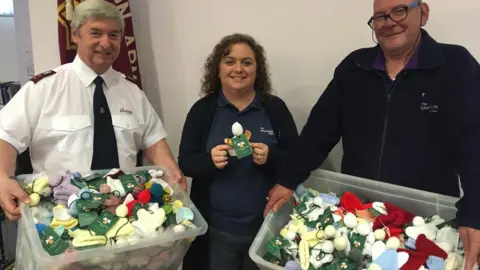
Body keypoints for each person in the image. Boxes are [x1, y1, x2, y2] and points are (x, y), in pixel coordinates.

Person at [265, 0, 480, 268]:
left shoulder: (455, 66)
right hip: (359, 214)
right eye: (379, 17)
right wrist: (287, 178)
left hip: (425, 222)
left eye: (399, 10)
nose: (389, 22)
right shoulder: (354, 67)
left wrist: (475, 211)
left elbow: (474, 144)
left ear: (422, 13)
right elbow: (318, 131)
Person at [0, 0, 187, 221]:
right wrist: (3, 178)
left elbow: (154, 143)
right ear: (75, 35)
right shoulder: (44, 88)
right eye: (95, 33)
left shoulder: (133, 92)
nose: (106, 43)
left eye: (114, 35)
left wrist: (173, 174)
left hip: (123, 219)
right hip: (60, 220)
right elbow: (6, 137)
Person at [178, 33, 298, 270]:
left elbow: (297, 160)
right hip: (216, 232)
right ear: (218, 68)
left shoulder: (275, 108)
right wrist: (209, 160)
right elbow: (186, 162)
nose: (238, 69)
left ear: (257, 69)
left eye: (247, 62)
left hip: (266, 230)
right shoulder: (203, 110)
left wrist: (271, 157)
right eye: (230, 61)